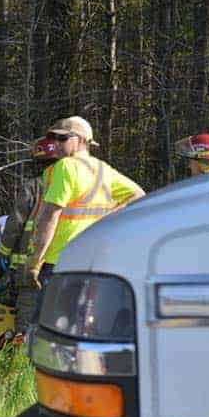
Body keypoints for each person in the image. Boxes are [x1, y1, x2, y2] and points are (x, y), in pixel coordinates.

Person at [23, 116, 145, 307]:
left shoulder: (65, 166)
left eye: (62, 139)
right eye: (53, 138)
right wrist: (108, 217)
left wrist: (35, 261)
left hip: (58, 260)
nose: (55, 143)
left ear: (80, 140)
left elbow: (50, 215)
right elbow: (138, 194)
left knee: (49, 326)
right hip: (92, 259)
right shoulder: (103, 169)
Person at [0, 136, 61, 336]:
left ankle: (21, 356)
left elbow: (15, 222)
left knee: (27, 308)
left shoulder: (33, 187)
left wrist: (4, 251)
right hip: (61, 260)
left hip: (31, 259)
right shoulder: (75, 186)